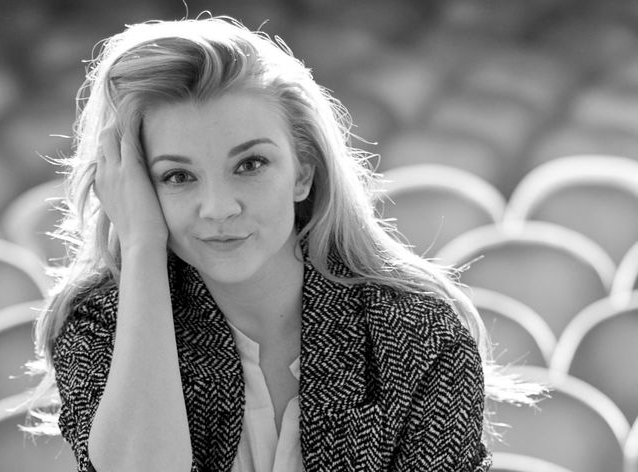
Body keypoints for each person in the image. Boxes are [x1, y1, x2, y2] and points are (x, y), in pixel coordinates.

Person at [27, 15, 540, 472]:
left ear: (304, 173)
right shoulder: (101, 323)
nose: (218, 207)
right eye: (178, 176)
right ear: (136, 188)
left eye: (249, 165)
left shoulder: (419, 332)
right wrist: (140, 246)